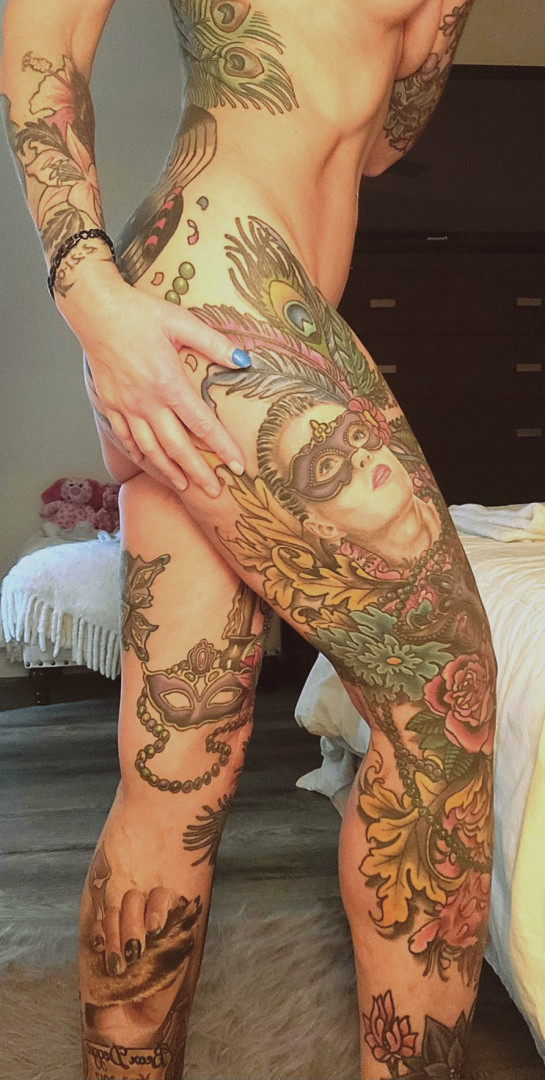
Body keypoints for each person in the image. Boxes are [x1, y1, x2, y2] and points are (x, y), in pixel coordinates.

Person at [0, 1, 496, 1077]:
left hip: (275, 316)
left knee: (179, 766)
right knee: (441, 697)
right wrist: (89, 292)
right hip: (214, 300)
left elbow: (377, 135)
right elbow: (43, 39)